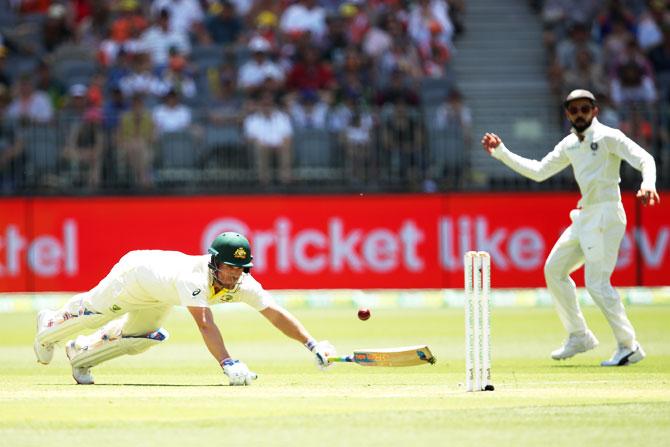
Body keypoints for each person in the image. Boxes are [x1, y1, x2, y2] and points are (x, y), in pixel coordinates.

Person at [481, 89, 660, 367]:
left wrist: (647, 183)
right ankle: (579, 335)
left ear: (595, 111)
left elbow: (644, 158)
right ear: (567, 113)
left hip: (606, 214)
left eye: (584, 109)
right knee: (554, 270)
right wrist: (501, 153)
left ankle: (629, 345)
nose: (579, 114)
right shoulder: (569, 144)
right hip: (586, 215)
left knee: (597, 284)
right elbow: (539, 171)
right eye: (574, 110)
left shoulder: (608, 137)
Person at [33, 232, 336, 385]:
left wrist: (312, 345)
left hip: (160, 294)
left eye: (241, 269)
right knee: (92, 315)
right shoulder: (195, 277)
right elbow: (205, 323)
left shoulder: (243, 283)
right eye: (230, 267)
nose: (234, 275)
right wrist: (229, 364)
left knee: (142, 338)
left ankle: (81, 353)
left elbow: (275, 313)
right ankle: (48, 328)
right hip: (135, 276)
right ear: (216, 261)